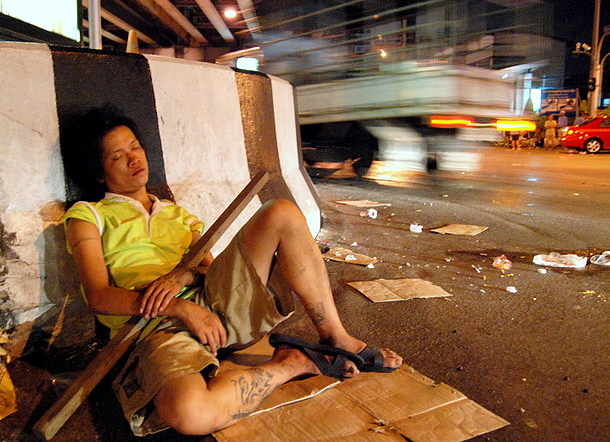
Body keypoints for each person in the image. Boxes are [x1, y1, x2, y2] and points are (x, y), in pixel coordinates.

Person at [62, 108, 402, 436]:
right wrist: (180, 308)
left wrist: (186, 276)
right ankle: (294, 363)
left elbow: (209, 270)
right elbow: (98, 297)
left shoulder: (178, 215)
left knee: (281, 213)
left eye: (135, 147)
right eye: (117, 156)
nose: (134, 158)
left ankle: (335, 336)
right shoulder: (89, 214)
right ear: (99, 172)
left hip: (216, 309)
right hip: (154, 326)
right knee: (190, 413)